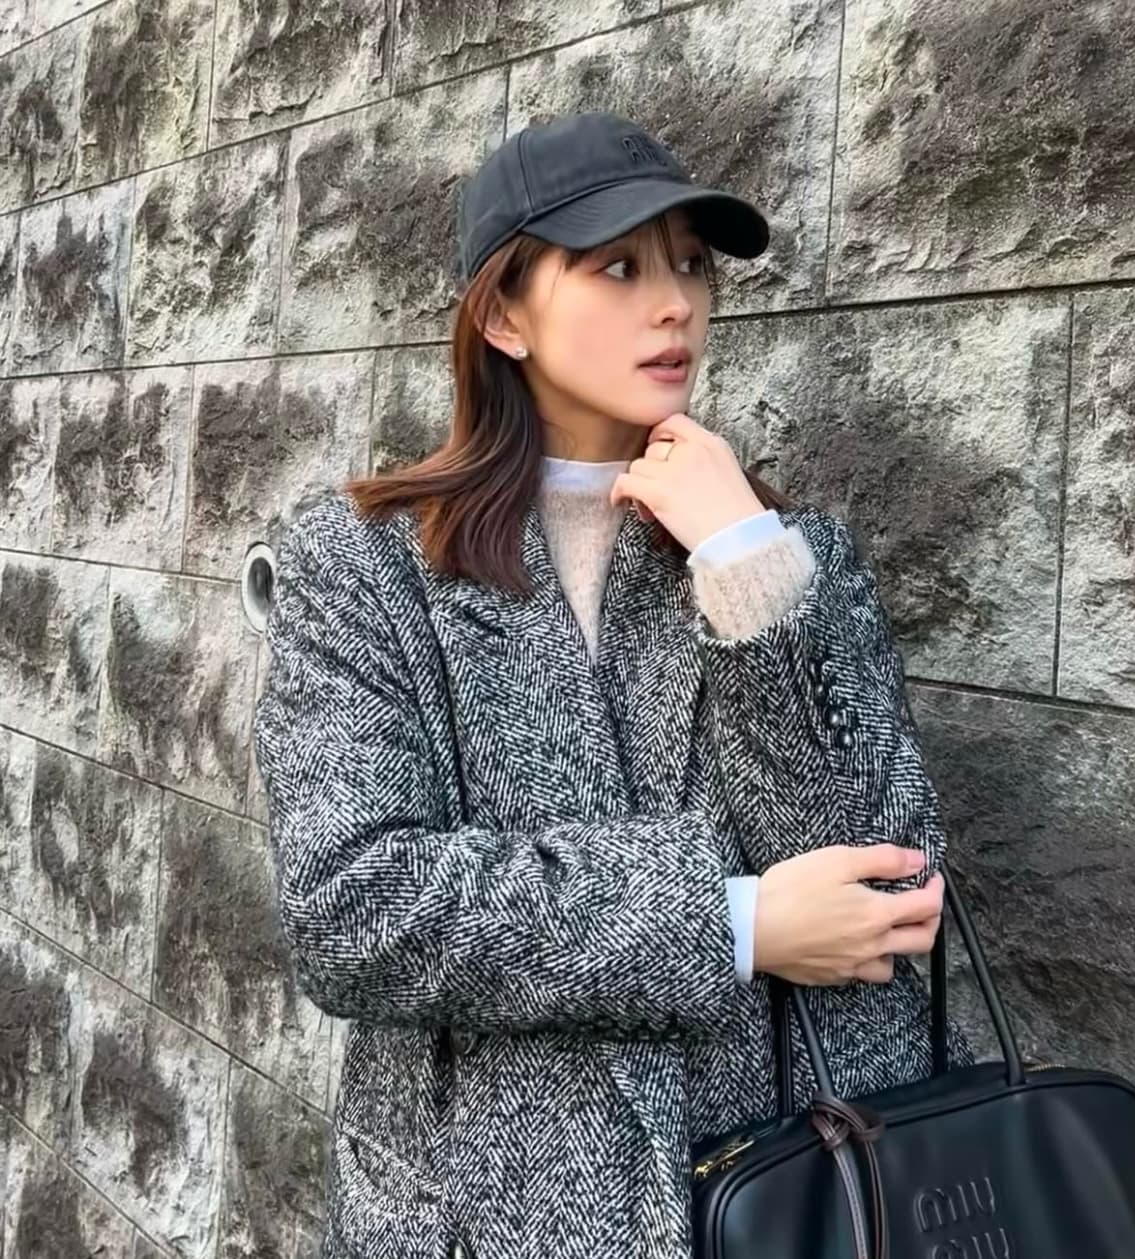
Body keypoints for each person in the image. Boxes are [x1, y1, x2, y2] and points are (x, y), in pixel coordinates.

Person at [253, 111, 972, 1259]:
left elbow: (887, 881)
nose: (675, 302)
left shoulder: (786, 555)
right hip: (476, 1213)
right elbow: (354, 909)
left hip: (780, 1194)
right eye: (619, 267)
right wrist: (733, 922)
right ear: (503, 313)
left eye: (690, 263)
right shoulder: (365, 565)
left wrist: (745, 567)